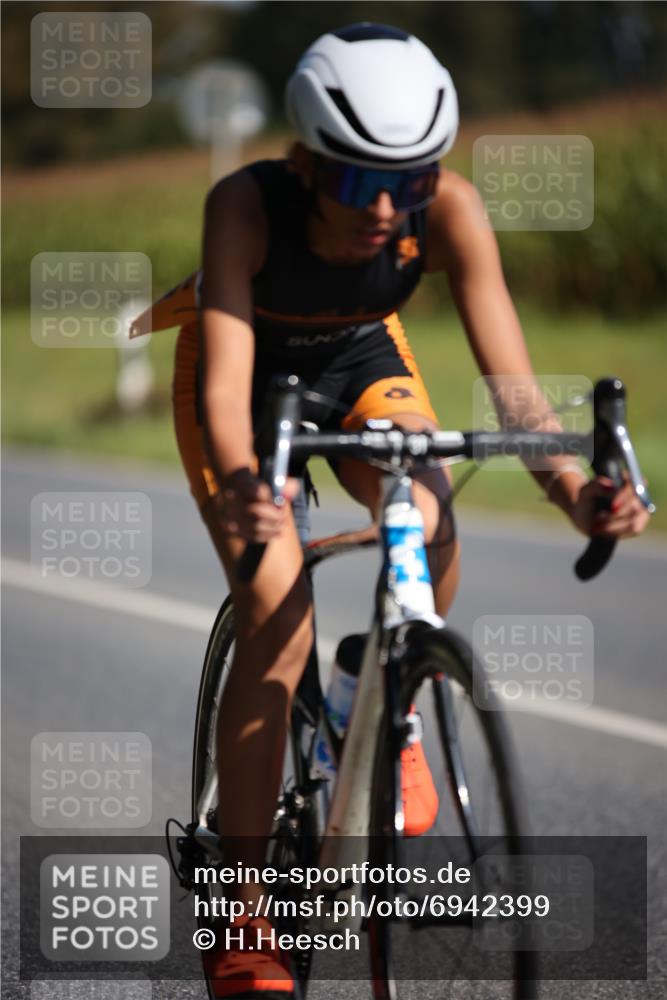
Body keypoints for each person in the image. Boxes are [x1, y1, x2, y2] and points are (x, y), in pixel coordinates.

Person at [135, 22, 650, 999]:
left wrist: (572, 492)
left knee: (430, 504)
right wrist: (251, 484)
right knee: (277, 609)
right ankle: (241, 906)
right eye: (354, 181)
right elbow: (228, 380)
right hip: (244, 376)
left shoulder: (448, 210)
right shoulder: (243, 206)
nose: (382, 208)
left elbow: (517, 395)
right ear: (303, 162)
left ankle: (381, 694)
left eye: (408, 182)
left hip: (359, 356)